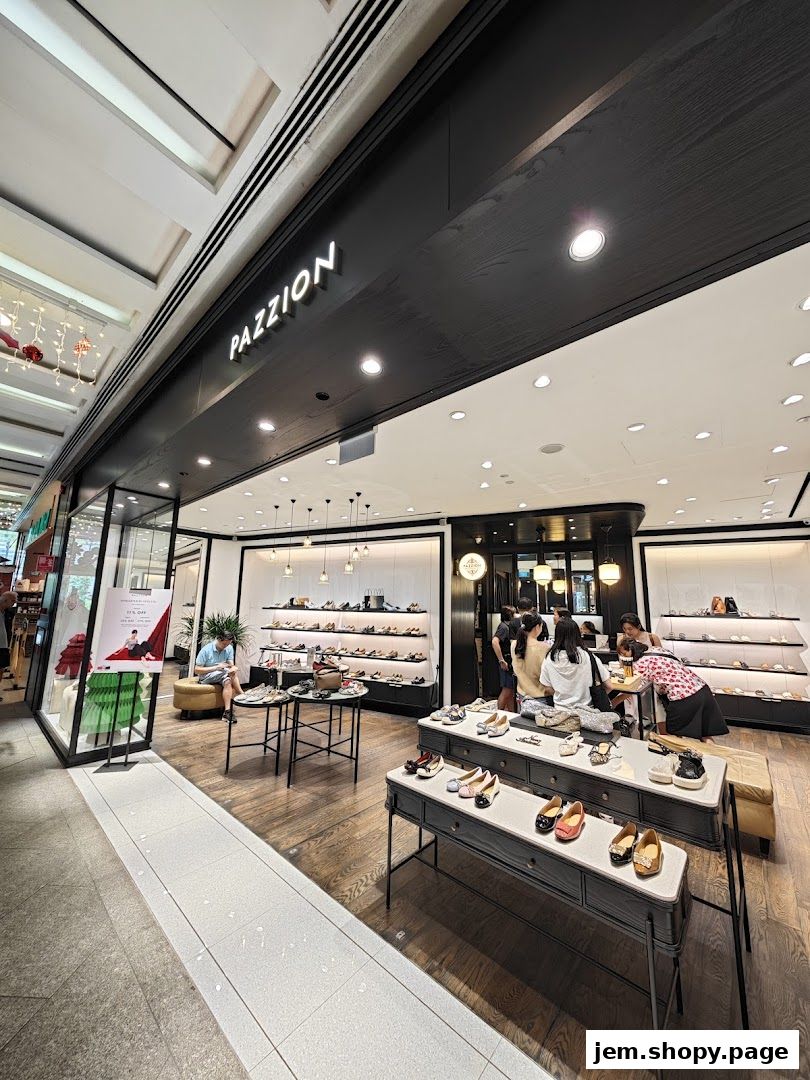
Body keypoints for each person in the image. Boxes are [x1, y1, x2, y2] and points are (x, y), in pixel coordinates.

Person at [629, 641, 728, 741]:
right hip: (701, 689)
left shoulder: (639, 664)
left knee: (674, 737)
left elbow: (635, 687)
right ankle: (713, 756)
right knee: (705, 735)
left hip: (683, 697)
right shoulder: (657, 649)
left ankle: (677, 756)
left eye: (623, 654)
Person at [540, 617, 612, 709]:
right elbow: (609, 686)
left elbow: (547, 688)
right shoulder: (587, 656)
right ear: (577, 634)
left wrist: (564, 698)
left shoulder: (550, 658)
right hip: (588, 712)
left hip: (560, 713)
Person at [195, 631, 244, 722]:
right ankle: (241, 693)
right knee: (226, 674)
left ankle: (227, 712)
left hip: (222, 674)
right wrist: (216, 667)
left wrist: (233, 667)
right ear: (218, 639)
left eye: (228, 644)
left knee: (228, 680)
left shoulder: (229, 648)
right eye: (224, 643)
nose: (226, 646)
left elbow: (230, 665)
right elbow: (197, 670)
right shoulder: (206, 650)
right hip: (206, 676)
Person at [512, 613, 552, 700]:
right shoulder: (545, 648)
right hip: (541, 696)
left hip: (522, 695)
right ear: (538, 627)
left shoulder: (514, 645)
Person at [491, 604, 517, 711]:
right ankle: (498, 715)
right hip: (506, 662)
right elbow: (495, 642)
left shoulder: (508, 626)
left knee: (510, 691)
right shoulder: (503, 627)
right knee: (506, 690)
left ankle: (511, 715)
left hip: (509, 661)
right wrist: (501, 660)